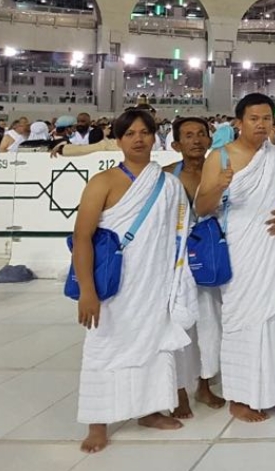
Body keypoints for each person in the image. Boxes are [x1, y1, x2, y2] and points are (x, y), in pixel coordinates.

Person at [73, 109, 194, 453]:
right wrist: (87, 291)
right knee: (104, 348)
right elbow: (82, 238)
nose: (138, 139)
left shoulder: (169, 185)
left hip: (156, 284)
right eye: (130, 134)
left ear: (155, 137)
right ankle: (98, 422)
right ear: (119, 140)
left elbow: (179, 236)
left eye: (145, 132)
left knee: (154, 346)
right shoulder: (103, 182)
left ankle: (150, 410)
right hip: (113, 287)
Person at [195, 93, 275, 422]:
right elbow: (202, 207)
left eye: (267, 118)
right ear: (239, 122)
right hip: (241, 249)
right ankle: (240, 397)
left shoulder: (274, 156)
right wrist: (219, 186)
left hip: (274, 247)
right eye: (254, 118)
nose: (261, 124)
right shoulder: (220, 157)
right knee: (243, 321)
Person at [165, 117, 225, 419]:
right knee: (178, 323)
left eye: (201, 134)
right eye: (188, 135)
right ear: (176, 144)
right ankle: (177, 390)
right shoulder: (166, 176)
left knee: (210, 324)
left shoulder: (220, 173)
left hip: (211, 256)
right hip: (175, 259)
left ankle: (204, 383)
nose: (196, 140)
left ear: (210, 140)